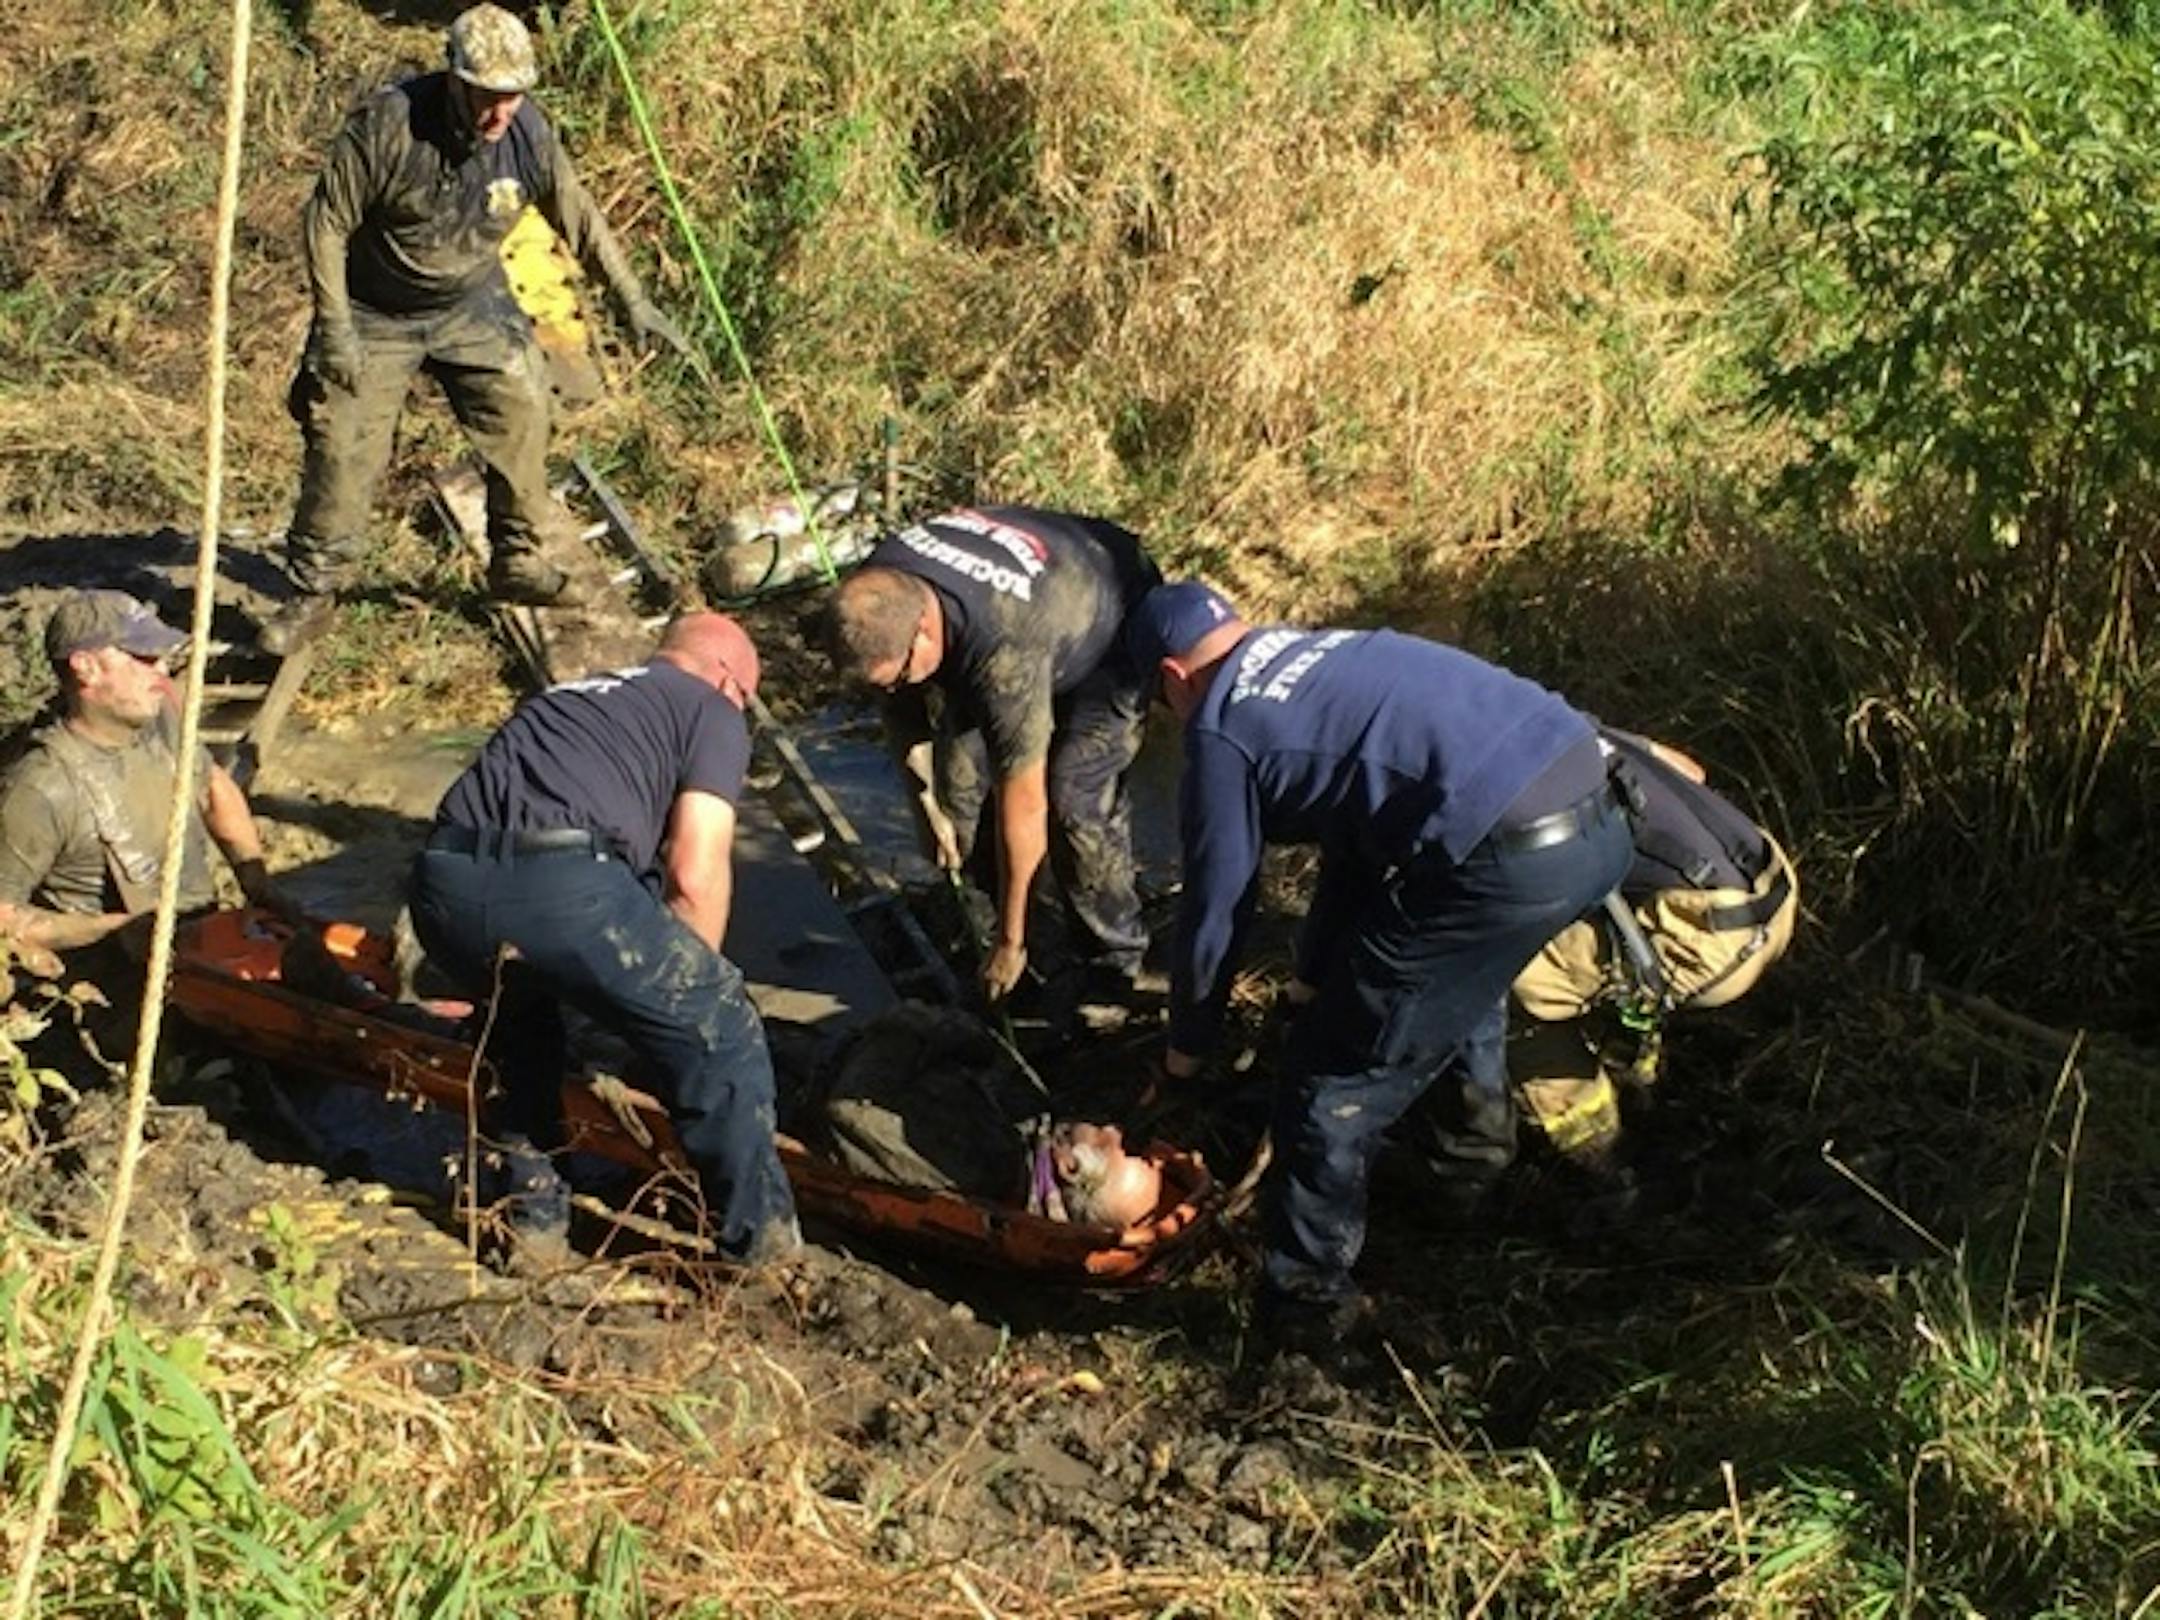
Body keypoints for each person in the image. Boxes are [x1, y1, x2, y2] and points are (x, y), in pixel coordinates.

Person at [1129, 581, 1632, 1341]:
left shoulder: (1222, 727)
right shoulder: (1321, 653)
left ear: (1172, 678)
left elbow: (1217, 911)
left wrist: (1185, 1057)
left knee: (1329, 1085)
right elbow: (1357, 851)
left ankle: (1307, 1306)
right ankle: (1468, 1165)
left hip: (1508, 861)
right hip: (1602, 812)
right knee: (1453, 971)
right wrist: (1306, 983)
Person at [263, 3, 692, 652]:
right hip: (377, 310)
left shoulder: (528, 134)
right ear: (454, 80)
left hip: (471, 301)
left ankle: (517, 558)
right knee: (342, 443)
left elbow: (577, 213)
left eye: (512, 97)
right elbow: (325, 225)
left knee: (523, 408)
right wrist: (334, 328)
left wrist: (633, 300)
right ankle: (313, 591)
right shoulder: (388, 127)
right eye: (487, 96)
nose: (499, 114)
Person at [405, 612, 799, 1266]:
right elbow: (695, 873)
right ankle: (762, 1252)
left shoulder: (573, 695)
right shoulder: (712, 710)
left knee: (519, 1031)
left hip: (443, 887)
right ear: (730, 680)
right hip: (561, 883)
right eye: (746, 701)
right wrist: (685, 1008)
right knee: (720, 1024)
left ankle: (532, 1227)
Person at [822, 506, 1162, 1004]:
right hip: (1013, 617)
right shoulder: (873, 595)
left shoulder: (1003, 655)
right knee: (958, 796)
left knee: (1074, 804)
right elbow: (901, 710)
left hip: (1111, 618)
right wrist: (925, 805)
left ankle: (1112, 966)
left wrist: (1010, 940)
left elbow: (1024, 803)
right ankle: (1011, 930)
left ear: (924, 632)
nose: (895, 689)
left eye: (900, 677)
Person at [1509, 727, 1800, 1160]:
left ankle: (1591, 1143)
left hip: (1704, 934)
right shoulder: (1558, 723)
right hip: (1770, 885)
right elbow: (1689, 770)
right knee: (1608, 931)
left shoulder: (1498, 773)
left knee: (1506, 983)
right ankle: (1633, 1063)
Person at [0, 591, 287, 957]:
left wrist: (258, 883)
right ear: (86, 667)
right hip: (117, 968)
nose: (162, 671)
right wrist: (114, 930)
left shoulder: (161, 718)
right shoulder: (41, 786)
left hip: (200, 942)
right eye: (144, 658)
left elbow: (212, 786)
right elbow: (5, 914)